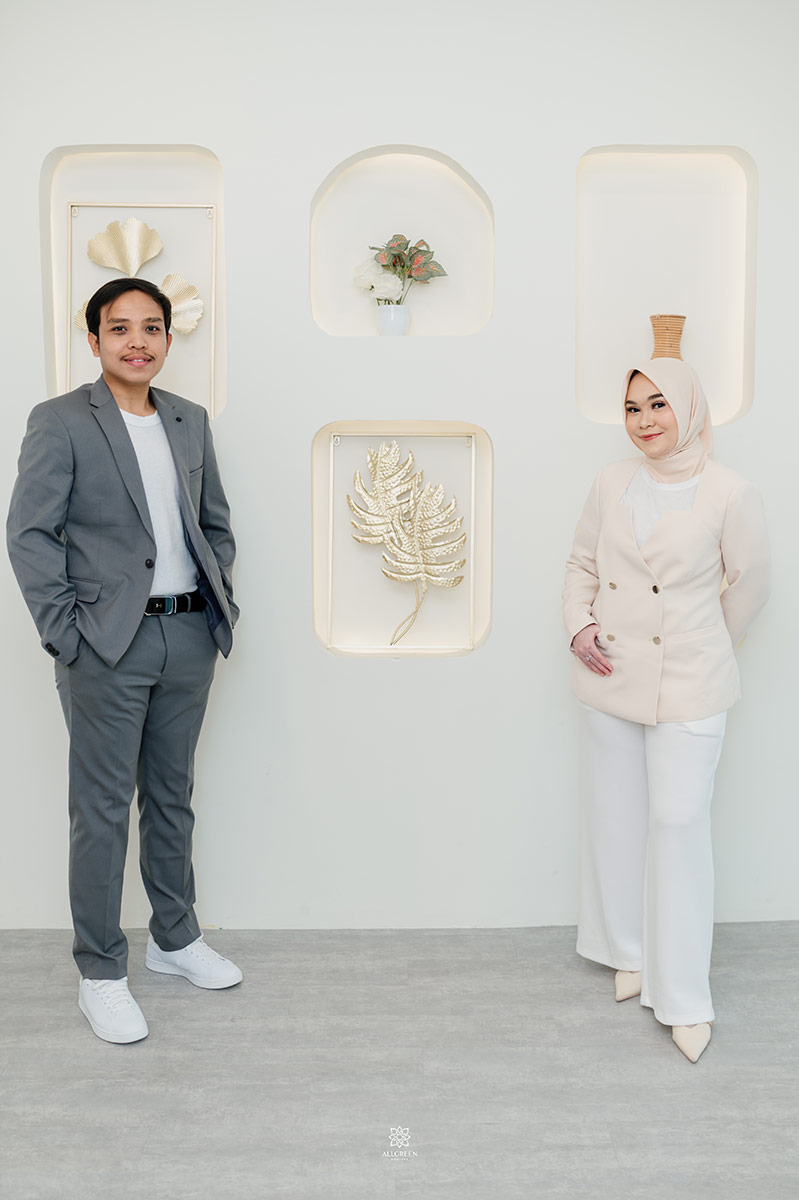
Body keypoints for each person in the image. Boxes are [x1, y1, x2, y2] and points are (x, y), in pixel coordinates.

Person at [7, 277, 242, 1044]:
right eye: (119, 327)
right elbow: (28, 533)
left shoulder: (188, 419)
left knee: (172, 796)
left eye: (150, 327)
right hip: (107, 642)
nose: (136, 340)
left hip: (189, 635)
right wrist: (65, 632)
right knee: (102, 810)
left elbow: (213, 525)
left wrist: (217, 600)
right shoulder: (61, 421)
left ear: (169, 339)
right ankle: (101, 972)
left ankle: (174, 938)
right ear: (95, 340)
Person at [563, 356, 769, 1062]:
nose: (644, 420)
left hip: (690, 679)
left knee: (678, 822)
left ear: (689, 408)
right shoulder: (610, 481)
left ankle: (683, 997)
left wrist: (701, 643)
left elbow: (750, 586)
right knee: (617, 817)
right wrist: (578, 624)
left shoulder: (731, 492)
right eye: (632, 408)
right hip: (610, 670)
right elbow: (581, 564)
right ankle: (628, 951)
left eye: (658, 404)